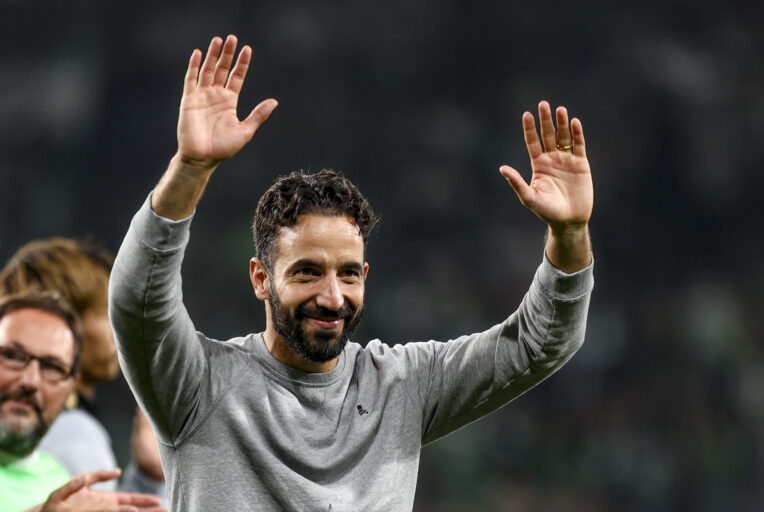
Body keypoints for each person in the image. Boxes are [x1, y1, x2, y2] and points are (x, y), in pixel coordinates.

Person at [109, 34, 594, 511]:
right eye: (307, 273)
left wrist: (570, 234)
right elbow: (136, 301)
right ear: (260, 278)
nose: (333, 297)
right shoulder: (197, 386)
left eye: (348, 274)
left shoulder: (401, 387)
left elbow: (541, 342)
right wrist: (190, 168)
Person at [0, 239, 166, 497]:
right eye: (111, 313)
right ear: (67, 322)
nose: (124, 328)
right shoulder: (74, 433)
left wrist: (147, 479)